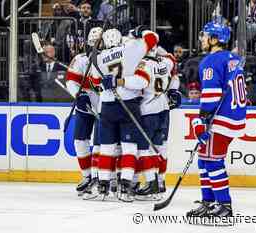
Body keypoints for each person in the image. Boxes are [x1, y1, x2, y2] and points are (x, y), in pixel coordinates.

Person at [91, 27, 159, 202]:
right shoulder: (131, 49)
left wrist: (106, 82)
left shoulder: (97, 58)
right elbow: (153, 39)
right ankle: (125, 187)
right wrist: (141, 30)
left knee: (106, 148)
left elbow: (96, 83)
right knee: (129, 148)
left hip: (106, 106)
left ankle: (103, 187)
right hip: (128, 104)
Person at [186, 20, 247, 219]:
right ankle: (209, 202)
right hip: (234, 117)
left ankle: (224, 205)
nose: (202, 39)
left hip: (221, 120)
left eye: (205, 36)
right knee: (205, 160)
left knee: (212, 161)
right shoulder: (233, 59)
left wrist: (201, 121)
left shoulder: (210, 61)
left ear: (214, 39)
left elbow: (211, 96)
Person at [135, 46, 180, 200]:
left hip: (148, 110)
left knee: (145, 149)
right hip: (164, 108)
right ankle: (160, 182)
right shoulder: (164, 63)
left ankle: (151, 182)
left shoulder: (142, 64)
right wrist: (174, 91)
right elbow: (172, 60)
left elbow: (138, 85)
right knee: (160, 147)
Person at [65, 27, 103, 196]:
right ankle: (87, 176)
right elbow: (71, 81)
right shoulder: (80, 60)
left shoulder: (109, 59)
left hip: (105, 107)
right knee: (80, 140)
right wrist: (78, 94)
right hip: (85, 105)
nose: (96, 46)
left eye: (99, 43)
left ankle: (104, 178)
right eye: (93, 43)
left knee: (105, 145)